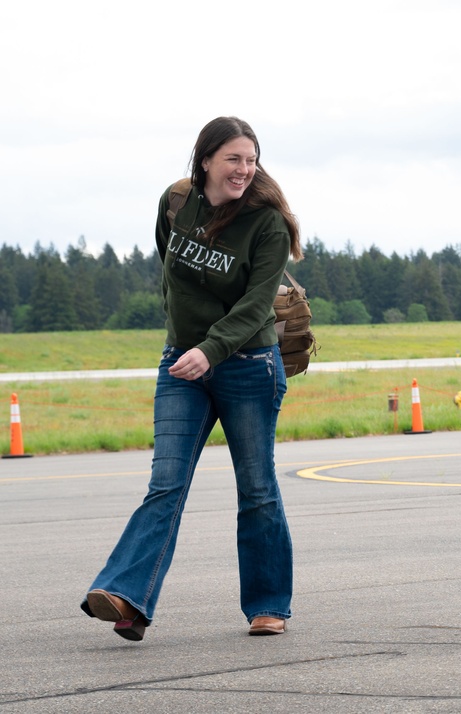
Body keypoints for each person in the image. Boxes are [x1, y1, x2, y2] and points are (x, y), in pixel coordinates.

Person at [81, 116, 302, 641]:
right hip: (181, 365)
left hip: (248, 366)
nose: (244, 170)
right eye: (233, 159)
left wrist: (212, 347)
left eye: (251, 160)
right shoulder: (177, 203)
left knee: (257, 489)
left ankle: (269, 606)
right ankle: (128, 600)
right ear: (205, 160)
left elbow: (255, 307)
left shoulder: (267, 223)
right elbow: (171, 270)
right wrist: (188, 344)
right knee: (166, 484)